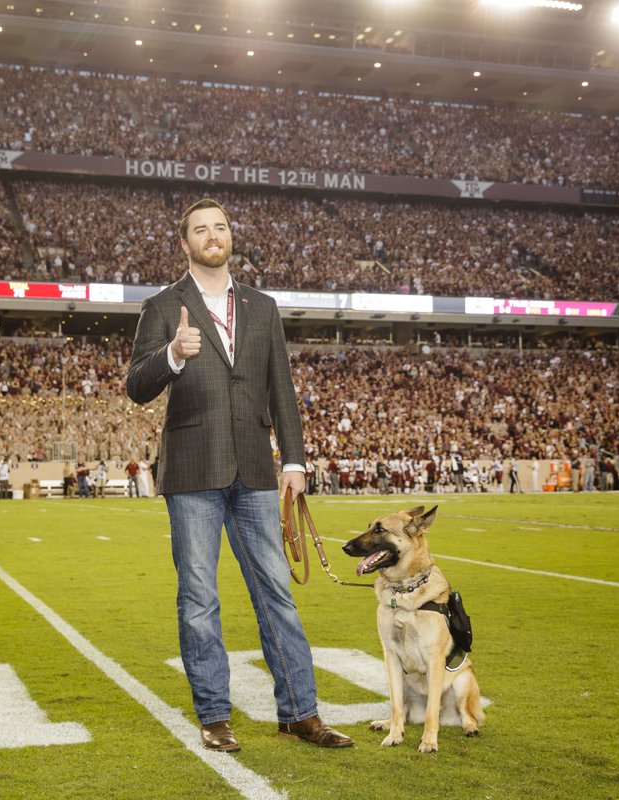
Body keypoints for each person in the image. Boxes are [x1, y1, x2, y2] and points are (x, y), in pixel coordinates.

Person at [126, 198, 352, 753]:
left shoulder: (262, 306)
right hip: (192, 469)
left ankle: (299, 713)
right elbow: (136, 387)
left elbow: (282, 388)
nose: (212, 236)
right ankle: (214, 715)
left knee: (276, 593)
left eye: (220, 227)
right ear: (185, 243)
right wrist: (172, 355)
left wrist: (294, 460)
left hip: (254, 467)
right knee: (199, 599)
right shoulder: (162, 306)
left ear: (231, 237)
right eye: (200, 229)